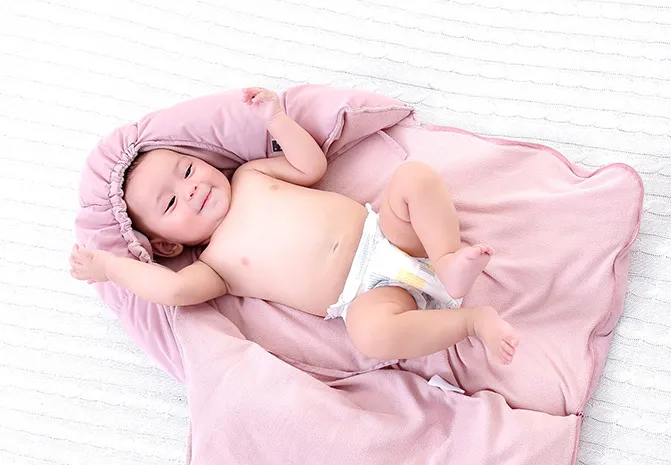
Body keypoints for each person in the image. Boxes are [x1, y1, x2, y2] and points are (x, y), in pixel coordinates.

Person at [70, 88, 519, 364]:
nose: (190, 190)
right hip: (367, 296)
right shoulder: (215, 268)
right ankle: (470, 322)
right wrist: (110, 269)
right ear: (168, 246)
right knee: (369, 335)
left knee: (414, 178)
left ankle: (446, 258)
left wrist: (277, 119)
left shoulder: (249, 176)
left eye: (187, 170)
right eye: (170, 203)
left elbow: (310, 166)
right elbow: (171, 290)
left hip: (388, 235)